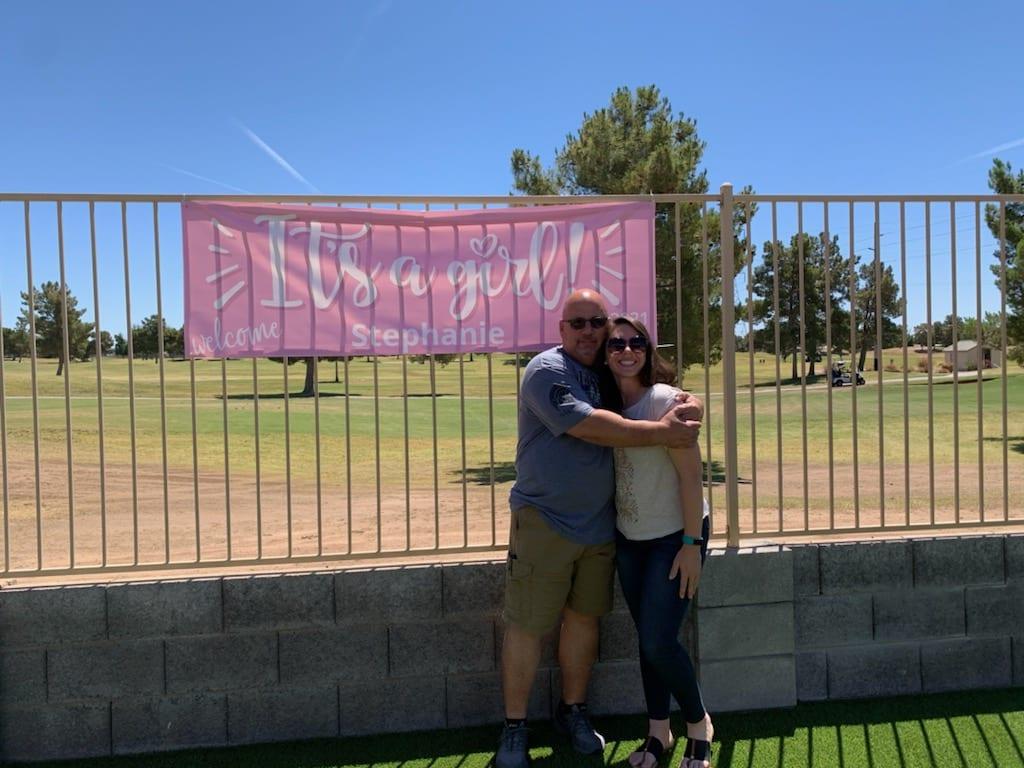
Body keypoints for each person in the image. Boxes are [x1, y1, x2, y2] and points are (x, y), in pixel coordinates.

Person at [496, 289, 703, 768]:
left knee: (584, 621)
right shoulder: (547, 372)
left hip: (602, 530)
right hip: (544, 522)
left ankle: (573, 713)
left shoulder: (605, 375)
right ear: (560, 330)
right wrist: (668, 430)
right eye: (578, 323)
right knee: (528, 625)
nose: (590, 331)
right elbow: (591, 426)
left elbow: (658, 398)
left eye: (598, 323)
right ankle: (514, 727)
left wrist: (689, 407)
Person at [605, 315, 713, 768]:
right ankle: (657, 734)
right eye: (616, 344)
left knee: (658, 639)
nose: (626, 350)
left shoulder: (667, 402)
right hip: (630, 538)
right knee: (647, 639)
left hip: (675, 535)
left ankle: (698, 724)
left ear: (648, 352)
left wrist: (691, 543)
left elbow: (692, 479)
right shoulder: (600, 406)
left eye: (637, 343)